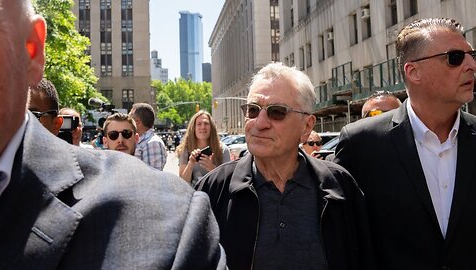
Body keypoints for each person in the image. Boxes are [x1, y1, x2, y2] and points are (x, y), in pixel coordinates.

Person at [0, 1, 225, 268]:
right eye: (113, 135)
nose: (120, 141)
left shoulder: (166, 221)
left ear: (32, 52)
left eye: (126, 134)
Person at [196, 62, 375, 270]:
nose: (260, 123)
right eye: (253, 110)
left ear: (307, 126)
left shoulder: (339, 187)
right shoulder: (212, 191)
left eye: (277, 112)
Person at [334, 18, 476, 269]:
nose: (471, 65)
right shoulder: (361, 144)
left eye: (471, 55)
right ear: (413, 71)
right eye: (455, 57)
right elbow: (344, 241)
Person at [176, 110, 231, 186]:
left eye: (206, 123)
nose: (203, 127)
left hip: (215, 195)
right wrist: (191, 163)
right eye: (199, 124)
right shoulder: (185, 150)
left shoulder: (223, 149)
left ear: (211, 127)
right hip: (193, 195)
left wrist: (212, 168)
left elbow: (227, 180)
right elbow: (183, 182)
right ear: (193, 128)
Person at [129, 103, 167, 170]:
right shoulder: (138, 141)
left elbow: (154, 176)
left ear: (137, 121)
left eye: (130, 119)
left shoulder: (153, 143)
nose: (127, 121)